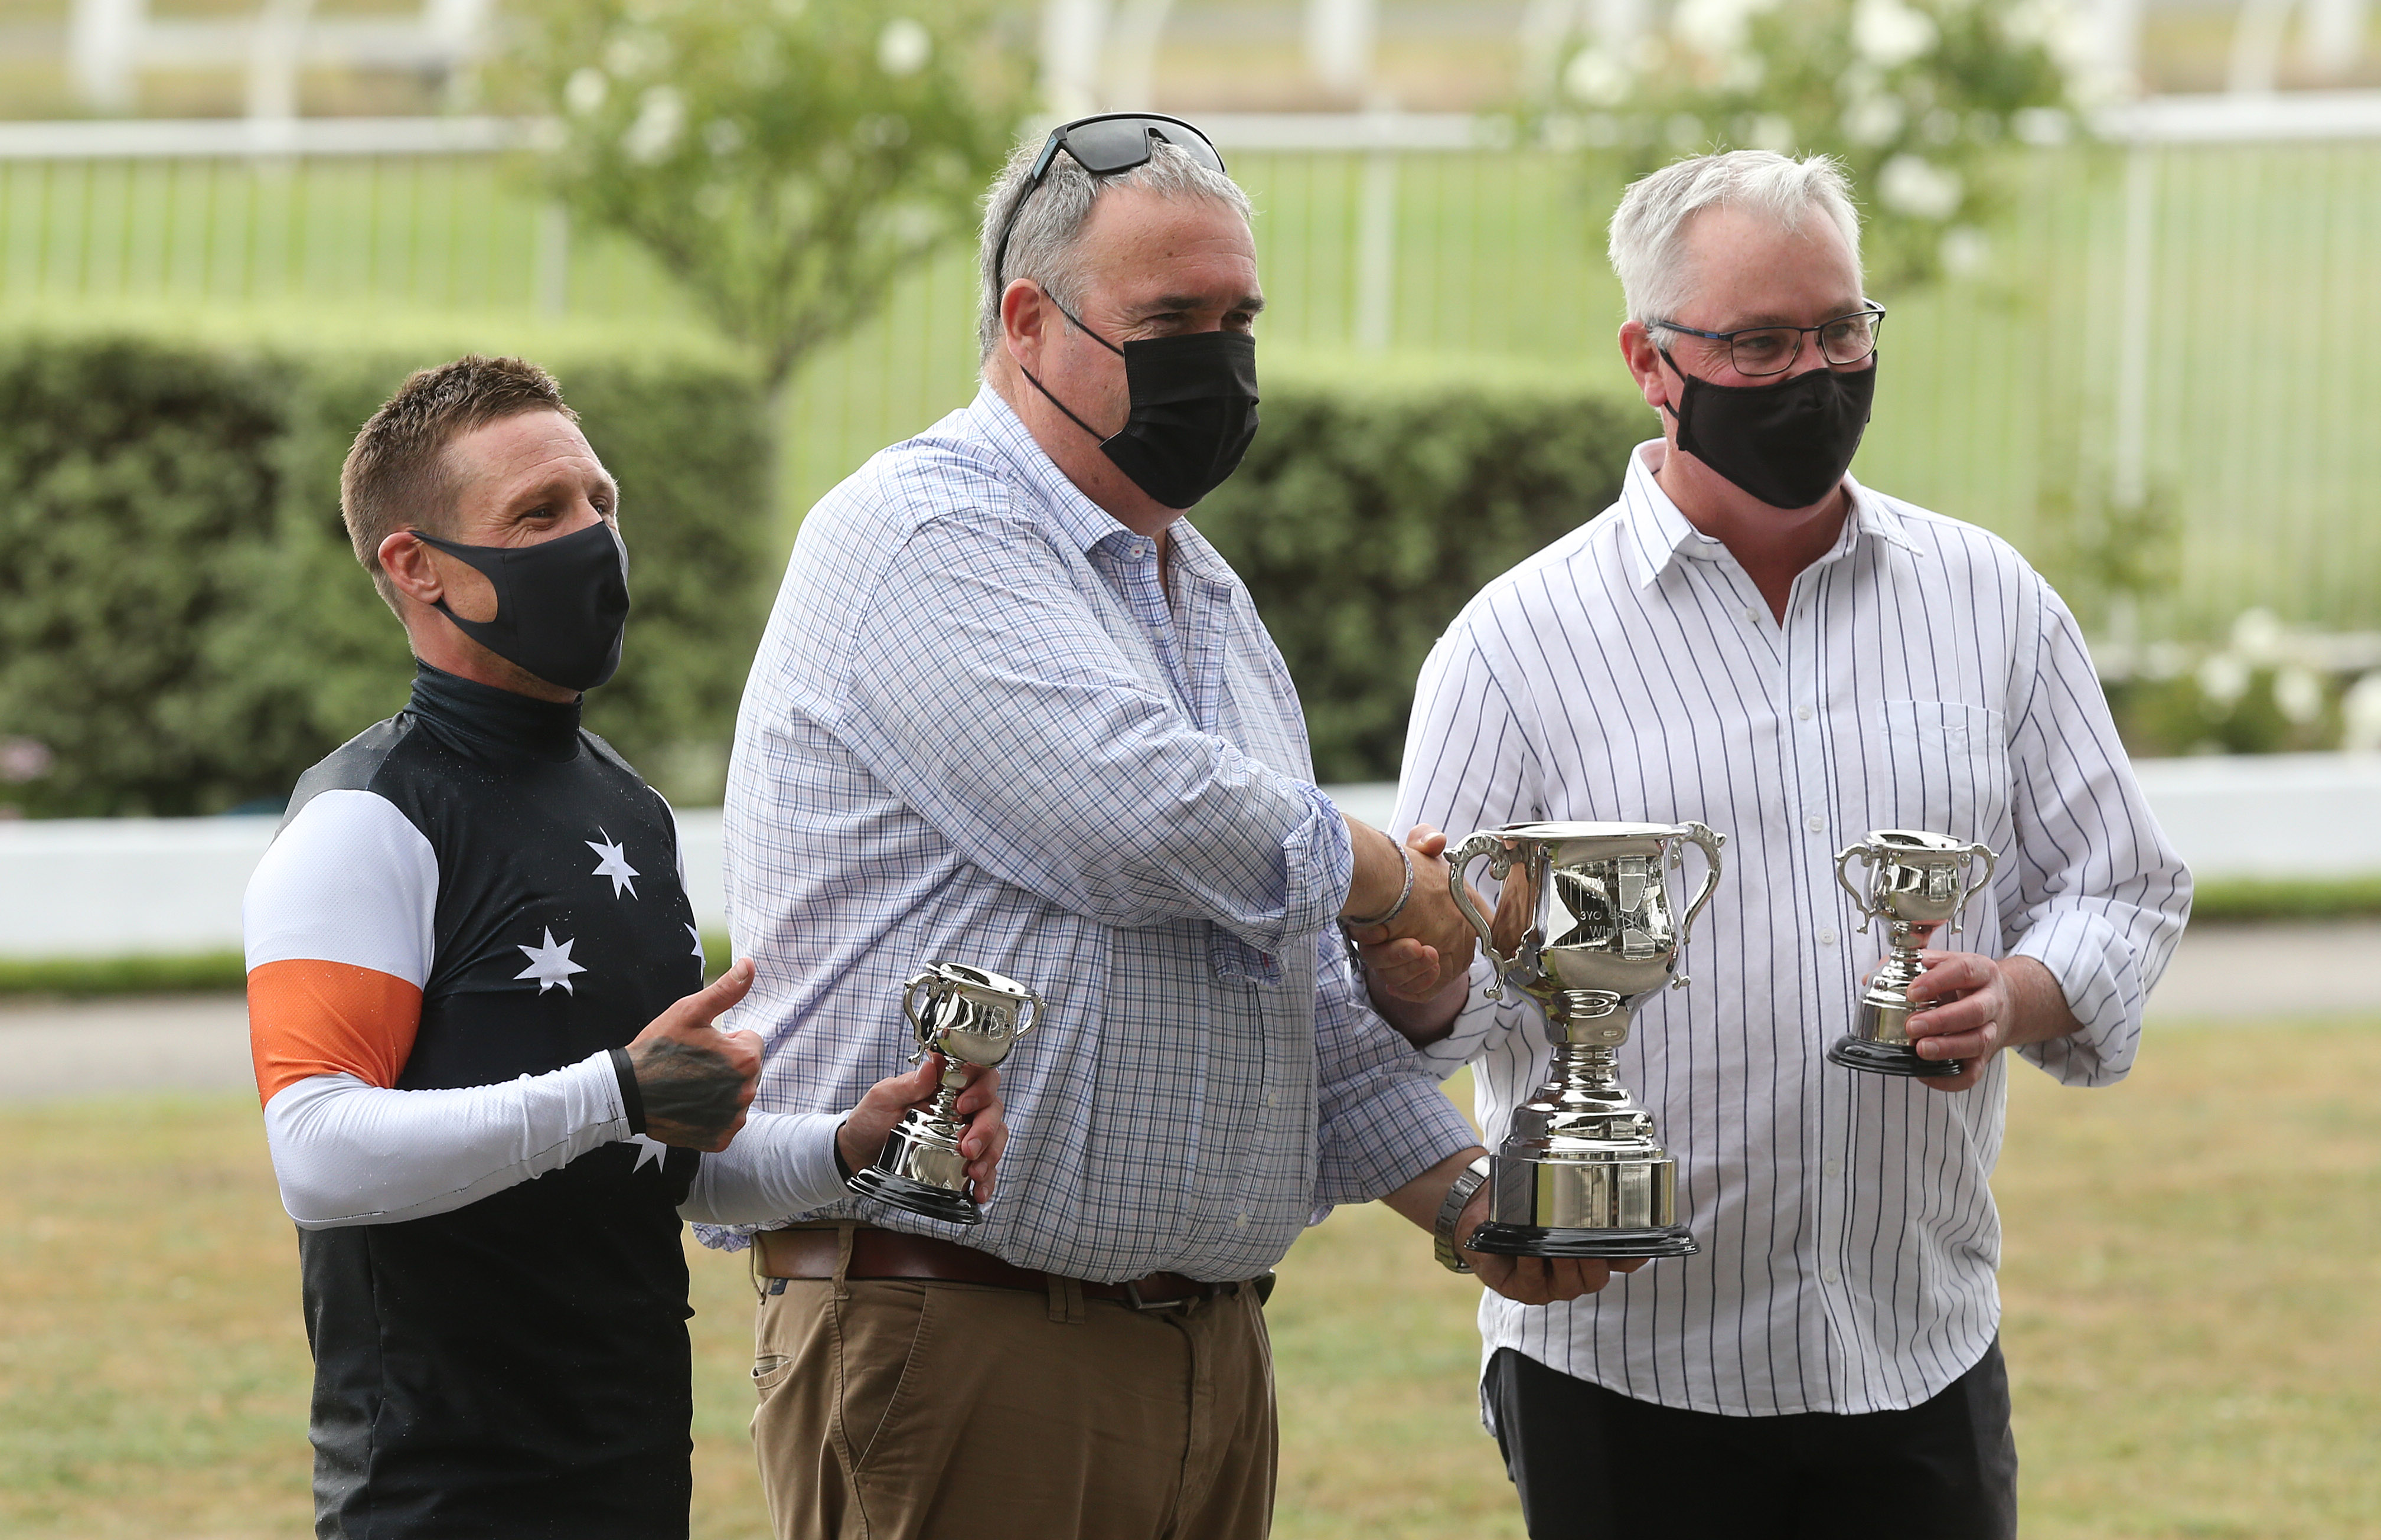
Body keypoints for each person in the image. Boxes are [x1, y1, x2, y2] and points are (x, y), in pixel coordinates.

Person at [716, 113, 1535, 1540]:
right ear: (1029, 321)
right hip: (961, 1340)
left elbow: (1279, 985)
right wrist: (1395, 881)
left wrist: (1473, 1198)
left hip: (1204, 1354)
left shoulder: (1198, 591)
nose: (1218, 363)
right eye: (1171, 318)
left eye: (1240, 319)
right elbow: (1142, 815)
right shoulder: (921, 532)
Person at [1364, 151, 2191, 1538]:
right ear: (1651, 361)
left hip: (1913, 1343)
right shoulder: (1514, 648)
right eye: (1759, 341)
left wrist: (2021, 992)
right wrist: (1421, 979)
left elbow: (2123, 882)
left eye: (1843, 328)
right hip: (1622, 1361)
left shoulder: (1993, 604)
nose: (1816, 371)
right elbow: (1462, 980)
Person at [241, 355, 1004, 1540]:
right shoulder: (366, 818)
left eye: (600, 503)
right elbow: (319, 1155)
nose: (593, 538)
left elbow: (666, 1159)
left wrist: (854, 1147)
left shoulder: (629, 811)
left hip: (636, 1481)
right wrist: (616, 1092)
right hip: (437, 1500)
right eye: (539, 514)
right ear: (417, 567)